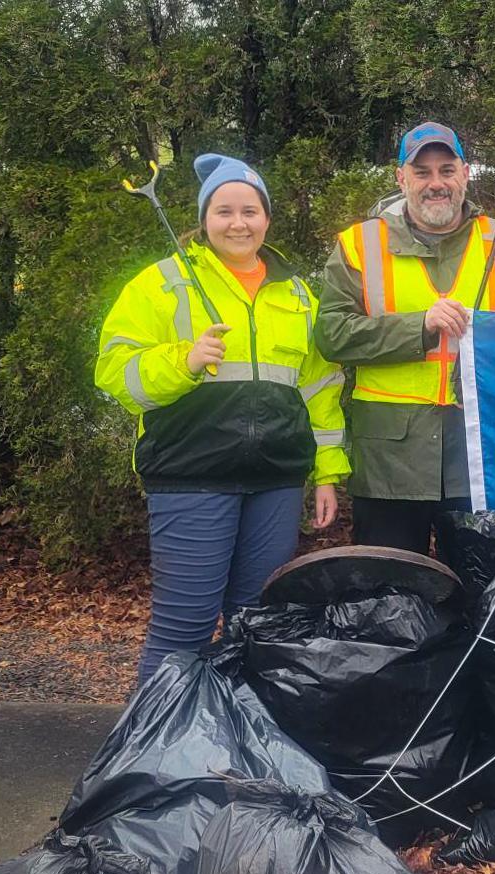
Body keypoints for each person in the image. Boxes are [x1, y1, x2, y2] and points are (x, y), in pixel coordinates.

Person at [96, 153, 349, 687]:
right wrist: (183, 360)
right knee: (183, 627)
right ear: (204, 219)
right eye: (224, 211)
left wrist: (327, 473)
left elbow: (320, 390)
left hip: (276, 481)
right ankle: (155, 736)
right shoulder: (163, 283)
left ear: (267, 219)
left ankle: (237, 732)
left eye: (250, 211)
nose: (238, 223)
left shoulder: (296, 293)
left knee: (254, 624)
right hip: (191, 474)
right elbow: (115, 373)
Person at [315, 121, 495, 555]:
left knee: (482, 586)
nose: (436, 183)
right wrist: (419, 327)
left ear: (465, 174)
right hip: (390, 466)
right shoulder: (359, 245)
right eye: (422, 172)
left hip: (485, 456)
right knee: (391, 588)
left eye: (447, 170)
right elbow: (332, 336)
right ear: (401, 178)